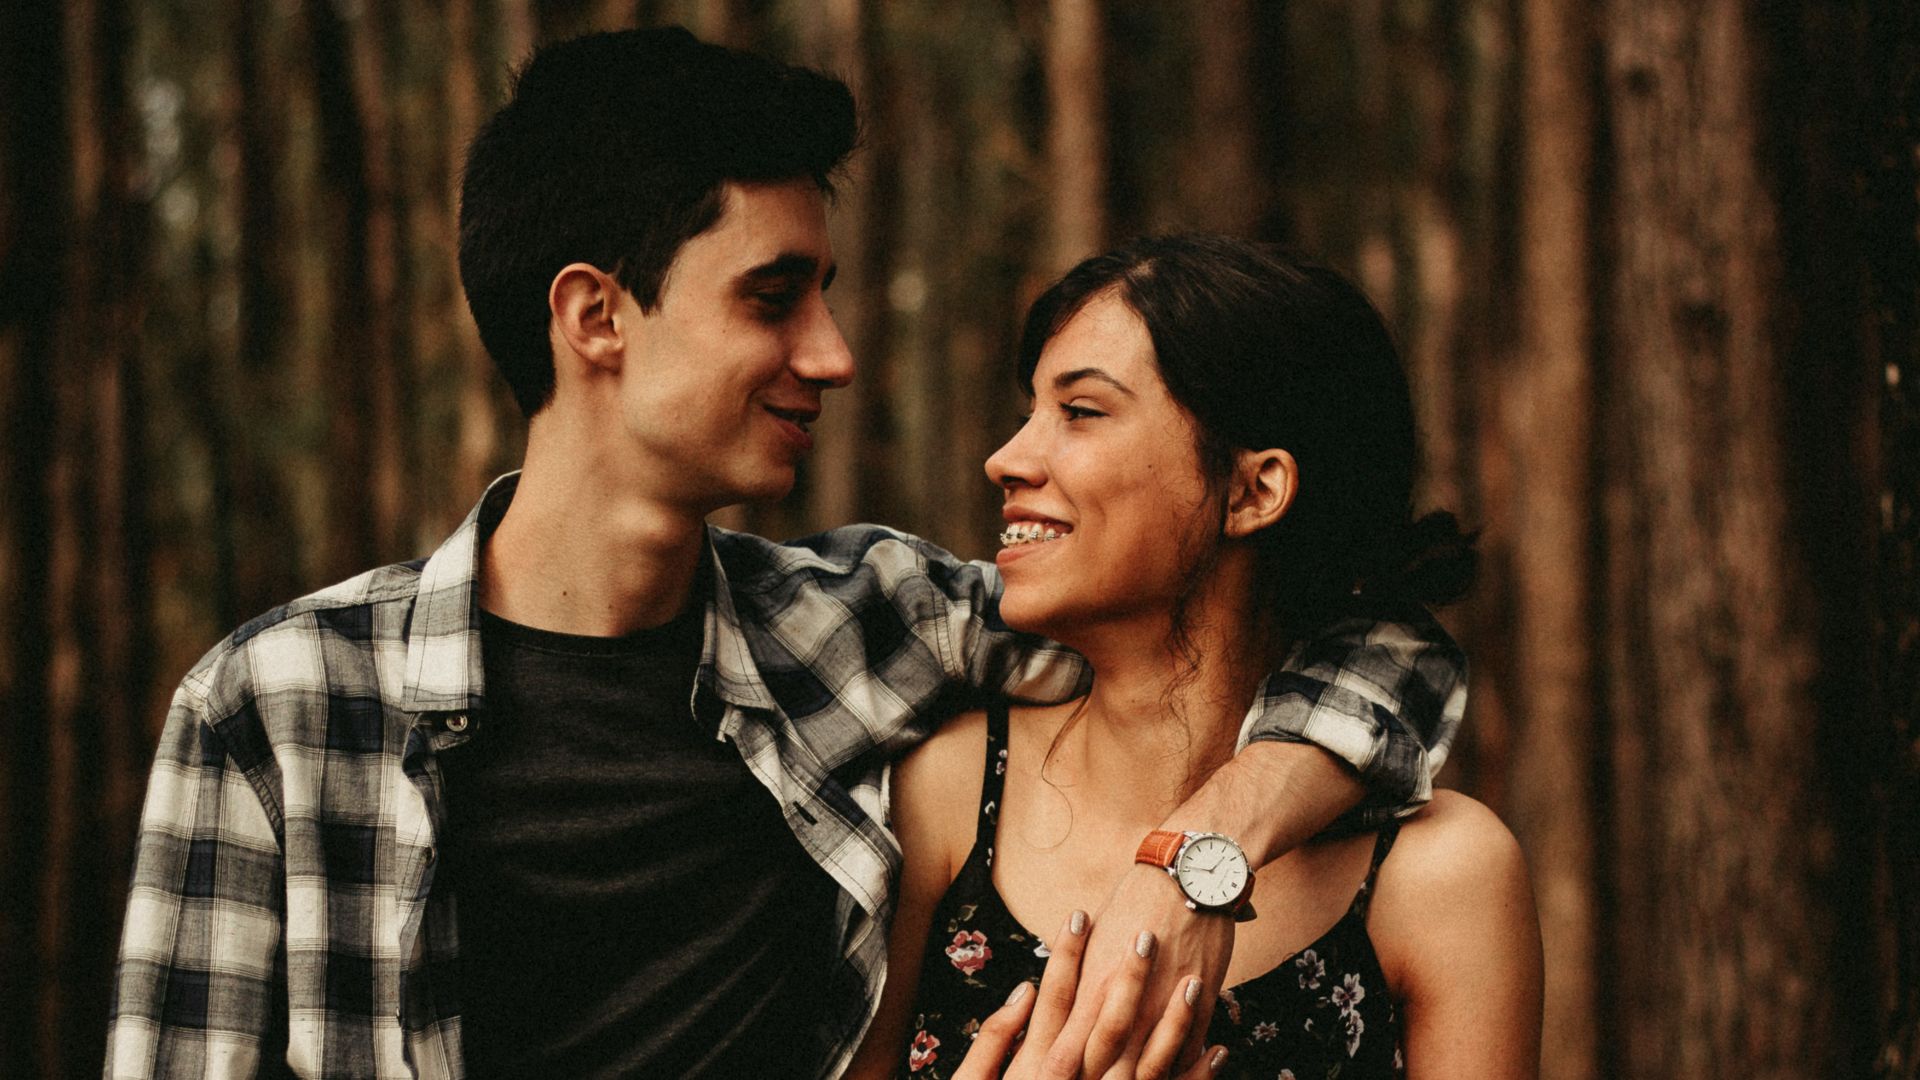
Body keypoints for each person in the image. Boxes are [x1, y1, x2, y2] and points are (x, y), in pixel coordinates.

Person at [104, 31, 1469, 1080]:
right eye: (774, 298)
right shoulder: (278, 712)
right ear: (595, 317)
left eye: (825, 295)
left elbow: (1346, 632)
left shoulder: (856, 632)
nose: (833, 354)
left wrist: (1199, 857)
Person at [851, 236, 1542, 1080]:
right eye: (1031, 409)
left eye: (1081, 412)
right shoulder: (946, 795)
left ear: (1254, 492)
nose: (1007, 458)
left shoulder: (1442, 877)